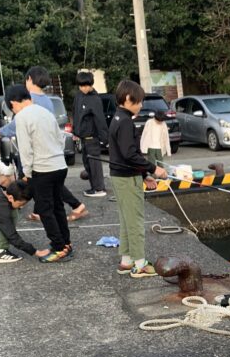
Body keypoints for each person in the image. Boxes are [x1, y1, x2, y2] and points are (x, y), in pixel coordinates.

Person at [0, 65, 88, 221]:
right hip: (52, 152)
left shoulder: (29, 100)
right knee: (51, 185)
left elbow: (17, 124)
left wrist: (1, 131)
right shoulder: (48, 99)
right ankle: (42, 211)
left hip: (37, 154)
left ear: (29, 79)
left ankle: (70, 206)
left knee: (37, 182)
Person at [4, 84, 71, 263]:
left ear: (13, 103)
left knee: (44, 209)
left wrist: (26, 172)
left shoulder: (22, 117)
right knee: (57, 206)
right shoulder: (46, 112)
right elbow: (60, 139)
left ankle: (59, 248)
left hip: (42, 169)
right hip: (60, 165)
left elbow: (25, 149)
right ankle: (66, 243)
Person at [107, 79, 167, 277]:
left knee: (127, 220)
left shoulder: (117, 117)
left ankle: (126, 261)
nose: (141, 105)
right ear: (127, 98)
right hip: (127, 178)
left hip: (121, 176)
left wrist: (144, 175)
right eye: (138, 101)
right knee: (135, 222)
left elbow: (126, 154)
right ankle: (140, 264)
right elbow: (130, 154)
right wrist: (154, 169)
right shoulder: (125, 122)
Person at [73, 70, 109, 198]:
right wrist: (75, 131)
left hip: (92, 137)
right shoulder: (78, 96)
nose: (83, 88)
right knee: (87, 163)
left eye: (86, 85)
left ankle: (99, 189)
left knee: (94, 164)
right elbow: (76, 114)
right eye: (81, 86)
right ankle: (94, 187)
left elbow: (100, 119)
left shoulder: (94, 99)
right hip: (83, 137)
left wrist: (105, 139)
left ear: (91, 84)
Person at [139, 109, 171, 177]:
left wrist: (168, 151)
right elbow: (144, 134)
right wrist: (142, 146)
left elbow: (166, 137)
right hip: (151, 146)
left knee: (160, 162)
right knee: (151, 163)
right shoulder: (149, 122)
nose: (160, 122)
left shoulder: (163, 124)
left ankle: (162, 175)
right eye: (159, 120)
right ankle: (152, 176)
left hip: (159, 146)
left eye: (161, 121)